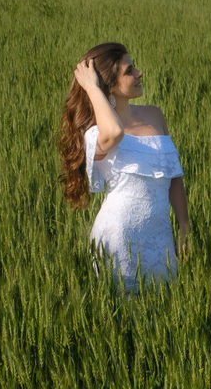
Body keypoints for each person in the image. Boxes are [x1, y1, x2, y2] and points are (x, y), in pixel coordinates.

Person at [58, 42, 189, 292]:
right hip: (118, 237)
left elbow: (174, 175)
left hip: (160, 237)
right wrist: (92, 87)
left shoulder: (155, 115)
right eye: (130, 71)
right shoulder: (96, 132)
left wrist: (184, 227)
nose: (139, 73)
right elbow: (116, 132)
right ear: (108, 83)